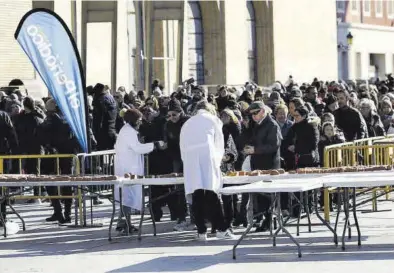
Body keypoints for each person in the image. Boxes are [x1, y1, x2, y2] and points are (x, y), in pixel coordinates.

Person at [180, 101, 235, 241]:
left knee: (197, 195)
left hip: (191, 160)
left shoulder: (187, 123)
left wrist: (187, 163)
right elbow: (219, 144)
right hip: (208, 158)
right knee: (212, 193)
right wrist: (217, 162)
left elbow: (182, 146)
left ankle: (201, 231)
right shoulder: (214, 120)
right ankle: (222, 229)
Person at [114, 109, 165, 233]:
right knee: (127, 196)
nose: (140, 122)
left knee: (127, 196)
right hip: (128, 169)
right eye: (139, 120)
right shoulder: (128, 132)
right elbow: (137, 148)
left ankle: (124, 222)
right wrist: (155, 145)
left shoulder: (127, 130)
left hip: (128, 166)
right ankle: (124, 223)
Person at [243, 101, 282, 232]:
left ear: (263, 111)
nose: (253, 116)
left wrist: (255, 150)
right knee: (259, 195)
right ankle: (264, 219)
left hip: (269, 164)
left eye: (256, 113)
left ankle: (270, 220)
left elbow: (273, 146)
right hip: (258, 164)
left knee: (268, 195)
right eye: (252, 114)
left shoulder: (272, 125)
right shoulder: (256, 124)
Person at [0, 110, 18, 227]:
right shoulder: (3, 115)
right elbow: (11, 134)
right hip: (2, 155)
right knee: (2, 187)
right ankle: (2, 217)